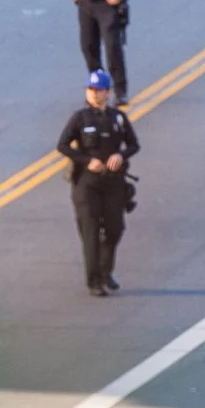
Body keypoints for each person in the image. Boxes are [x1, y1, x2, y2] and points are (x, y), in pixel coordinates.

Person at [56, 70, 139, 296]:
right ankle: (94, 281)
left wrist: (121, 155)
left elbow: (134, 144)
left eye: (99, 90)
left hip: (113, 183)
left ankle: (105, 271)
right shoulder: (80, 119)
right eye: (91, 90)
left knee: (114, 228)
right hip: (87, 184)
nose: (94, 94)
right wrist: (86, 160)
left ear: (108, 92)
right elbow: (62, 145)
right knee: (91, 231)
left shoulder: (117, 118)